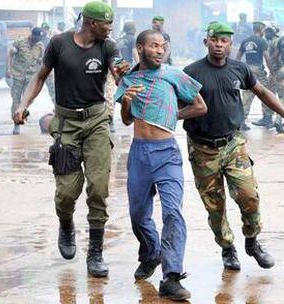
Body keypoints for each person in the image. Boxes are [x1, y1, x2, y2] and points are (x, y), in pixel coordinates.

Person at [13, 1, 126, 278]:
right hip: (66, 124)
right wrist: (23, 105)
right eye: (106, 24)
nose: (110, 28)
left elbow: (118, 69)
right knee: (66, 192)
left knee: (99, 188)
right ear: (90, 23)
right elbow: (40, 77)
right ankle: (66, 225)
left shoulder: (107, 46)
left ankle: (95, 253)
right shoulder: (59, 44)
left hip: (97, 121)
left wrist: (123, 74)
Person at [183, 22, 284, 272]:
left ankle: (252, 241)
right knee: (215, 205)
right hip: (203, 149)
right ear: (206, 42)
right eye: (214, 40)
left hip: (233, 144)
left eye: (224, 41)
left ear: (230, 44)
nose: (219, 44)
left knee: (249, 196)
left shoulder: (240, 69)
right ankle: (227, 248)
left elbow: (262, 91)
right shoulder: (191, 72)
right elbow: (173, 101)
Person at [114, 29, 207, 301]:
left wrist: (172, 115)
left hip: (167, 153)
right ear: (140, 48)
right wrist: (127, 103)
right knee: (138, 215)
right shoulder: (129, 79)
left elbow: (200, 106)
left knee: (172, 212)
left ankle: (172, 276)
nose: (159, 50)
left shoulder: (173, 75)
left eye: (162, 46)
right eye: (153, 46)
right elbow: (127, 120)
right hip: (139, 153)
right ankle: (151, 251)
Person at [7, 27, 44, 135]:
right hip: (18, 76)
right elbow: (10, 55)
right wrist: (8, 69)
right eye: (36, 37)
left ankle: (23, 113)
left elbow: (41, 61)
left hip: (31, 77)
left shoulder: (40, 46)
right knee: (16, 100)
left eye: (39, 38)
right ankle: (16, 124)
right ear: (31, 34)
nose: (37, 39)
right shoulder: (19, 42)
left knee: (28, 99)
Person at [236, 21, 271, 131]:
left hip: (247, 70)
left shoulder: (245, 41)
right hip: (258, 70)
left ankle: (242, 121)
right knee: (265, 93)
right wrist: (272, 71)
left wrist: (238, 71)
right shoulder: (262, 41)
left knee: (246, 96)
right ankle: (267, 118)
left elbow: (238, 57)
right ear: (261, 31)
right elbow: (267, 57)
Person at [252, 23, 279, 128]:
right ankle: (268, 118)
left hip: (276, 72)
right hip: (275, 72)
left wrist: (273, 71)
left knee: (270, 94)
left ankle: (270, 119)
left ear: (273, 32)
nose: (266, 33)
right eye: (265, 31)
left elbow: (273, 57)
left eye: (268, 31)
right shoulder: (271, 41)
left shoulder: (275, 42)